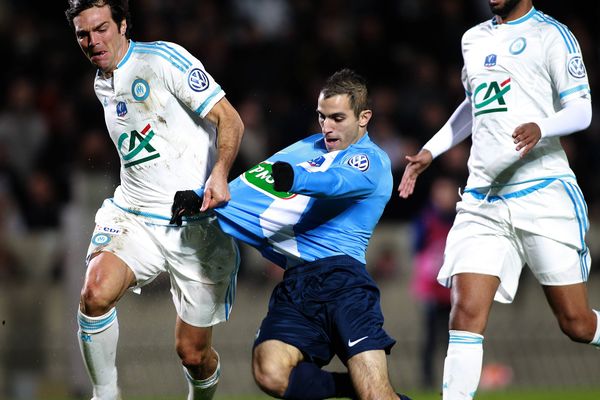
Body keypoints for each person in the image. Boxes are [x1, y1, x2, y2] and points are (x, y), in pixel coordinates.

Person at [398, 1, 599, 399]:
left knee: (576, 324)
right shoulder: (473, 38)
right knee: (465, 314)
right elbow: (475, 104)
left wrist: (543, 125)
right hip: (483, 199)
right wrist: (432, 150)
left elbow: (582, 110)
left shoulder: (551, 35)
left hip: (543, 193)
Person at [171, 69, 411, 400]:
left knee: (376, 395)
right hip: (297, 284)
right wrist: (202, 197)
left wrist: (295, 179)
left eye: (338, 118)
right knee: (269, 372)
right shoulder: (307, 148)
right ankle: (353, 388)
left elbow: (337, 183)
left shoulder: (371, 160)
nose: (327, 127)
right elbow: (253, 183)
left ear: (363, 117)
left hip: (344, 283)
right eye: (322, 117)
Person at [65, 1, 244, 399]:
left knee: (192, 354)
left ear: (124, 25)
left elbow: (230, 119)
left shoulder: (163, 59)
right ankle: (105, 394)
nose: (93, 41)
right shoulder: (101, 82)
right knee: (94, 294)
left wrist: (219, 174)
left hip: (197, 224)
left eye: (101, 29)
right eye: (83, 34)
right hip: (135, 215)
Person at [409, 176, 457, 389]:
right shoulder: (426, 219)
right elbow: (417, 248)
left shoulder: (460, 219)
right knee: (429, 337)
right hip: (431, 287)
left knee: (454, 337)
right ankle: (427, 380)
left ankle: (454, 379)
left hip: (453, 287)